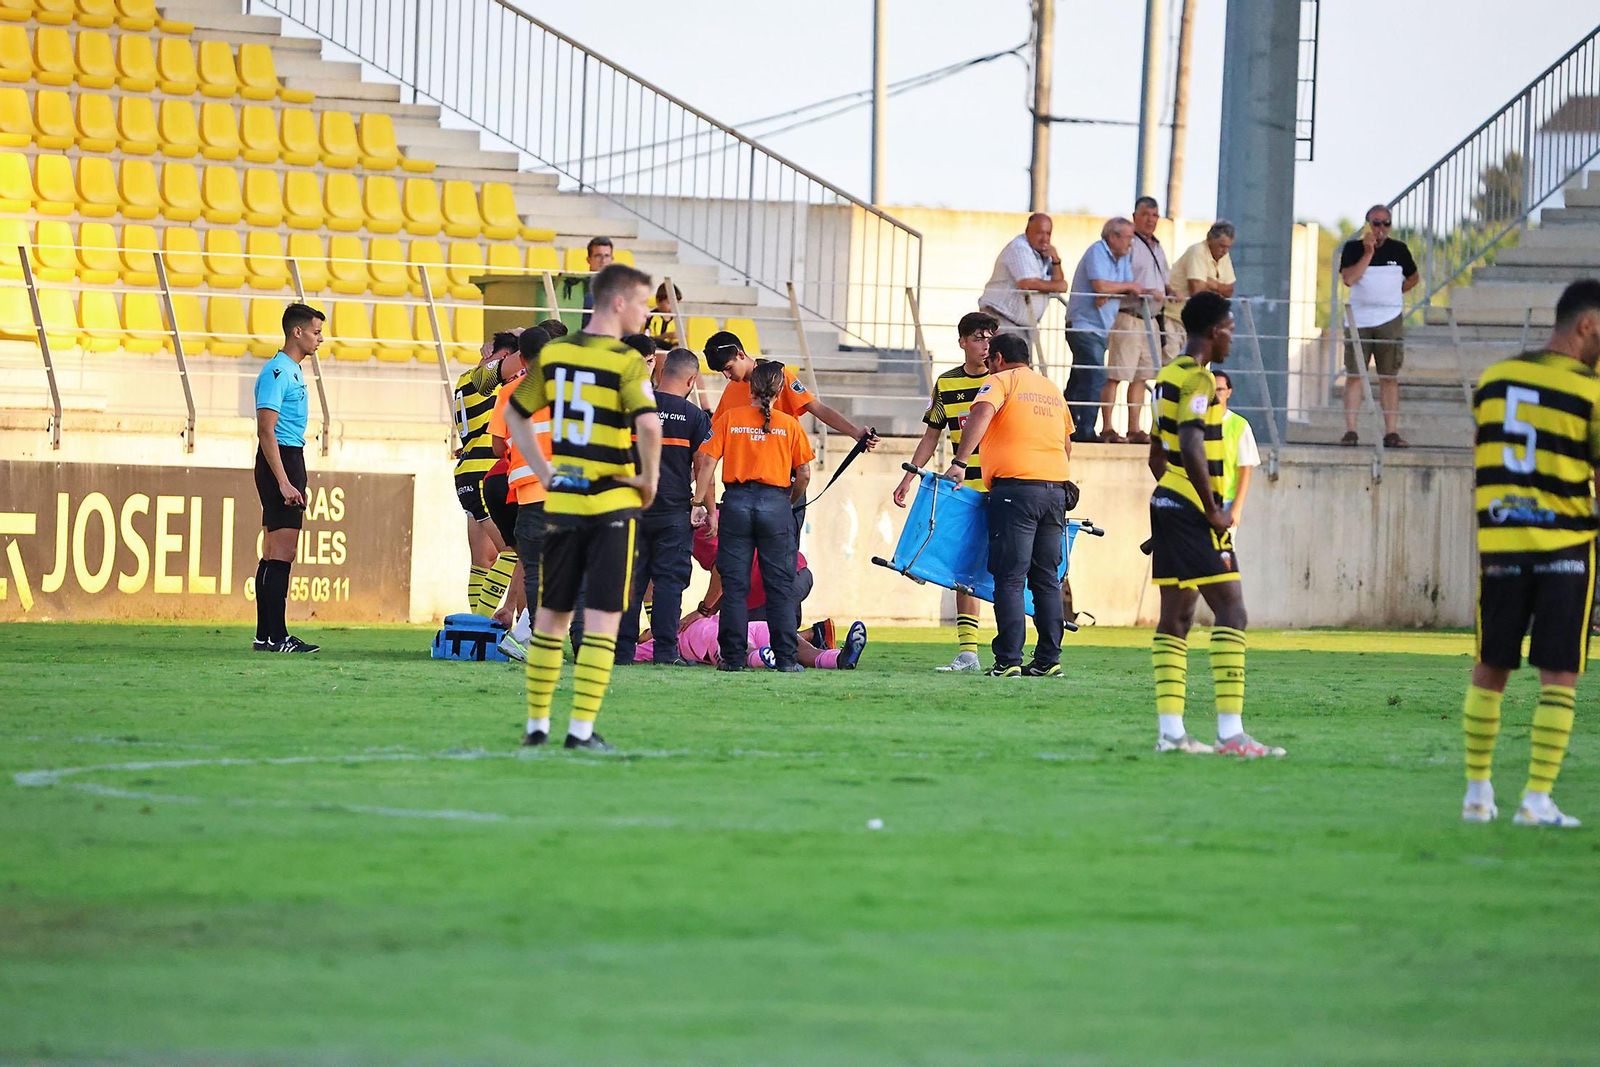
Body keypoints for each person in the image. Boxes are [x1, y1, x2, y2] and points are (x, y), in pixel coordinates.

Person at [504, 262, 662, 752]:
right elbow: (651, 426)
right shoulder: (627, 361)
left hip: (564, 498)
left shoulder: (555, 354)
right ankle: (580, 732)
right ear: (617, 302)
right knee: (603, 618)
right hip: (612, 499)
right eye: (642, 304)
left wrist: (546, 472)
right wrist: (648, 481)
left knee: (552, 614)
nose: (646, 315)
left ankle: (536, 727)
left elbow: (516, 413)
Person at [1460, 278, 1600, 829]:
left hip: (1500, 543)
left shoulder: (1495, 380)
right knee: (1559, 672)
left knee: (1490, 666)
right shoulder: (1591, 391)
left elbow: (1483, 453)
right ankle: (1536, 799)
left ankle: (1477, 795)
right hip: (1565, 545)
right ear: (1586, 326)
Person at [1145, 291, 1284, 757]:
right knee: (1232, 610)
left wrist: (1170, 498)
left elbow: (1155, 451)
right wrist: (1210, 508)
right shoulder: (1201, 379)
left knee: (1177, 617)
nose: (1233, 337)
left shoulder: (1167, 375)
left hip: (1166, 500)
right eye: (1230, 328)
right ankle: (1231, 734)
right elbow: (1189, 440)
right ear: (1213, 331)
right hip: (1192, 507)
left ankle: (1171, 732)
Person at [942, 332, 1073, 678]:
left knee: (1010, 577)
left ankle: (1008, 660)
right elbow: (1066, 443)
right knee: (1046, 579)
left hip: (1016, 490)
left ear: (998, 358)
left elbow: (981, 416)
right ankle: (1048, 660)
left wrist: (959, 461)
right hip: (1054, 489)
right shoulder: (1051, 389)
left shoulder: (999, 382)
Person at [894, 311, 997, 671]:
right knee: (964, 569)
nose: (986, 345)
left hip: (1002, 484)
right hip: (963, 486)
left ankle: (1022, 650)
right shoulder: (947, 383)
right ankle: (969, 652)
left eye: (990, 337)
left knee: (1003, 569)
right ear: (962, 342)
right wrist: (909, 476)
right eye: (979, 338)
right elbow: (931, 435)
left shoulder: (1002, 380)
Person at [695, 361, 815, 672]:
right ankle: (786, 659)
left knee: (735, 586)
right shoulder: (790, 425)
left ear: (750, 388)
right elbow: (803, 474)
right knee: (780, 585)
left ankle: (733, 659)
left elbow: (706, 460)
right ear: (780, 390)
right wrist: (788, 501)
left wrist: (698, 500)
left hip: (736, 502)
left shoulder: (731, 419)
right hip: (775, 504)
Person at [615, 348, 711, 666]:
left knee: (631, 579)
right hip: (673, 511)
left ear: (662, 372)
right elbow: (704, 465)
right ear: (692, 379)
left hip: (631, 507)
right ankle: (666, 651)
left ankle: (623, 650)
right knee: (669, 582)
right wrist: (705, 507)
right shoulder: (694, 416)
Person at [251, 303, 323, 654]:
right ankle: (277, 637)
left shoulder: (291, 370)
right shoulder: (277, 372)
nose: (320, 339)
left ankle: (266, 636)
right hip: (281, 458)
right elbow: (266, 430)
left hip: (289, 457)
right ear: (297, 332)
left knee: (274, 553)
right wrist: (282, 480)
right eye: (316, 331)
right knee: (282, 552)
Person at [1063, 218, 1163, 441]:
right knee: (1096, 376)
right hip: (1083, 326)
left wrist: (1113, 291)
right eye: (1127, 237)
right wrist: (1113, 289)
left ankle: (1065, 427)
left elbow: (1127, 290)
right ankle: (1086, 432)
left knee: (1079, 380)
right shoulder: (1097, 251)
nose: (1131, 242)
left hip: (1101, 329)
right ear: (1113, 237)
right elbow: (1101, 286)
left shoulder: (1123, 257)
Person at [1340, 204, 1419, 449]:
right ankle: (1351, 430)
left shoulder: (1400, 249)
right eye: (1376, 223)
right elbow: (1349, 279)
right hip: (1359, 320)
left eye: (1385, 223)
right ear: (1367, 225)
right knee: (1355, 375)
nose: (1381, 229)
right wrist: (1368, 253)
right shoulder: (1353, 249)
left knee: (1389, 376)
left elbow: (1413, 277)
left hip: (1389, 319)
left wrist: (1395, 293)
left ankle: (1391, 432)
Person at [453, 330, 519, 616]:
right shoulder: (485, 382)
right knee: (515, 551)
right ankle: (482, 623)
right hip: (485, 473)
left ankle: (475, 622)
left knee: (483, 559)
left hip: (467, 471)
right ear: (505, 357)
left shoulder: (466, 378)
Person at [1102, 197, 1176, 445]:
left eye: (1155, 215)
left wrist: (1168, 291)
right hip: (1130, 316)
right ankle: (1108, 427)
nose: (1151, 220)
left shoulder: (1157, 246)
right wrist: (1144, 291)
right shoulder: (1129, 245)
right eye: (1146, 215)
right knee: (1117, 373)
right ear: (1135, 216)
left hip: (1151, 320)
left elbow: (1162, 278)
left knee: (1142, 375)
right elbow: (1122, 278)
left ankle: (1135, 428)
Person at [635, 613, 866, 671]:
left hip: (748, 625)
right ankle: (763, 657)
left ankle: (839, 658)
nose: (648, 631)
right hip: (711, 637)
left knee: (791, 641)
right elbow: (634, 653)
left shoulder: (684, 622)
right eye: (645, 631)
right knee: (736, 644)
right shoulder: (658, 642)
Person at [978, 212, 1069, 352]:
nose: (1044, 238)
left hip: (1022, 326)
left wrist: (1056, 260)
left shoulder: (1043, 253)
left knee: (1020, 371)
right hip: (1002, 319)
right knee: (1009, 369)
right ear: (1027, 231)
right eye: (1039, 233)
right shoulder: (1020, 248)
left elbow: (1060, 283)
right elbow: (1027, 283)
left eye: (1048, 233)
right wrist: (1057, 286)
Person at [1211, 369, 1260, 529]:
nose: (1215, 394)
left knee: (1223, 552)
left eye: (1220, 389)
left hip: (1225, 502)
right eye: (1212, 389)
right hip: (1199, 499)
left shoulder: (1239, 425)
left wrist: (1236, 508)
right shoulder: (1197, 422)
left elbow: (1245, 469)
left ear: (1229, 392)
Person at [646, 282, 684, 350]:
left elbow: (676, 342)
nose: (673, 307)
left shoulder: (675, 319)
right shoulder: (651, 316)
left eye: (676, 303)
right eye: (669, 303)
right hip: (654, 348)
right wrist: (665, 336)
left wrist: (679, 337)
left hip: (670, 350)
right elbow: (647, 338)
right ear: (658, 301)